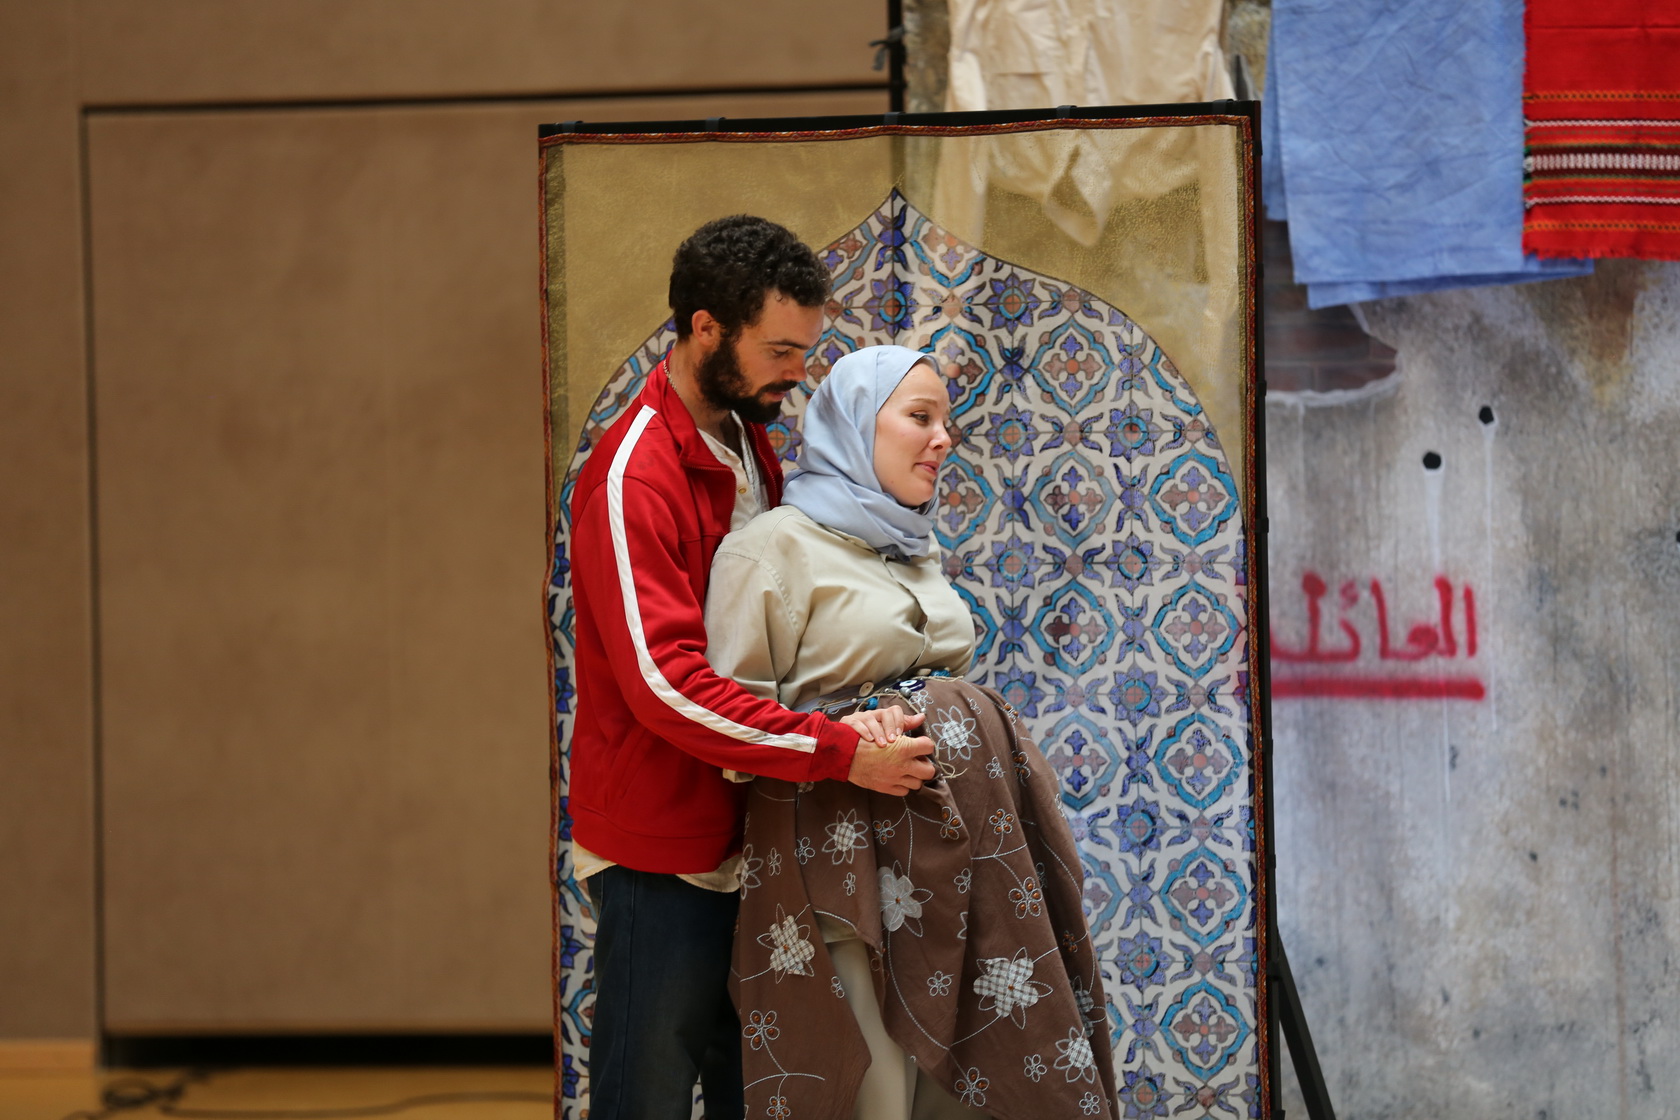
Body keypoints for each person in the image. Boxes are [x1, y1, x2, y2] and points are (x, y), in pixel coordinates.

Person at [567, 218, 938, 1120]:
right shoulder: (632, 477)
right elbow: (666, 686)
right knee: (644, 1098)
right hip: (665, 848)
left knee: (764, 1092)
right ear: (705, 329)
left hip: (757, 833)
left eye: (805, 351)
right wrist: (837, 752)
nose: (797, 373)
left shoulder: (747, 440)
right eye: (778, 350)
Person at [707, 346, 1119, 1120]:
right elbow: (730, 721)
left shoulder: (914, 546)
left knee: (963, 1085)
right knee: (873, 1085)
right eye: (920, 417)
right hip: (844, 863)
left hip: (957, 864)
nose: (943, 439)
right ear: (855, 425)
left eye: (946, 422)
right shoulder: (771, 548)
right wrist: (836, 733)